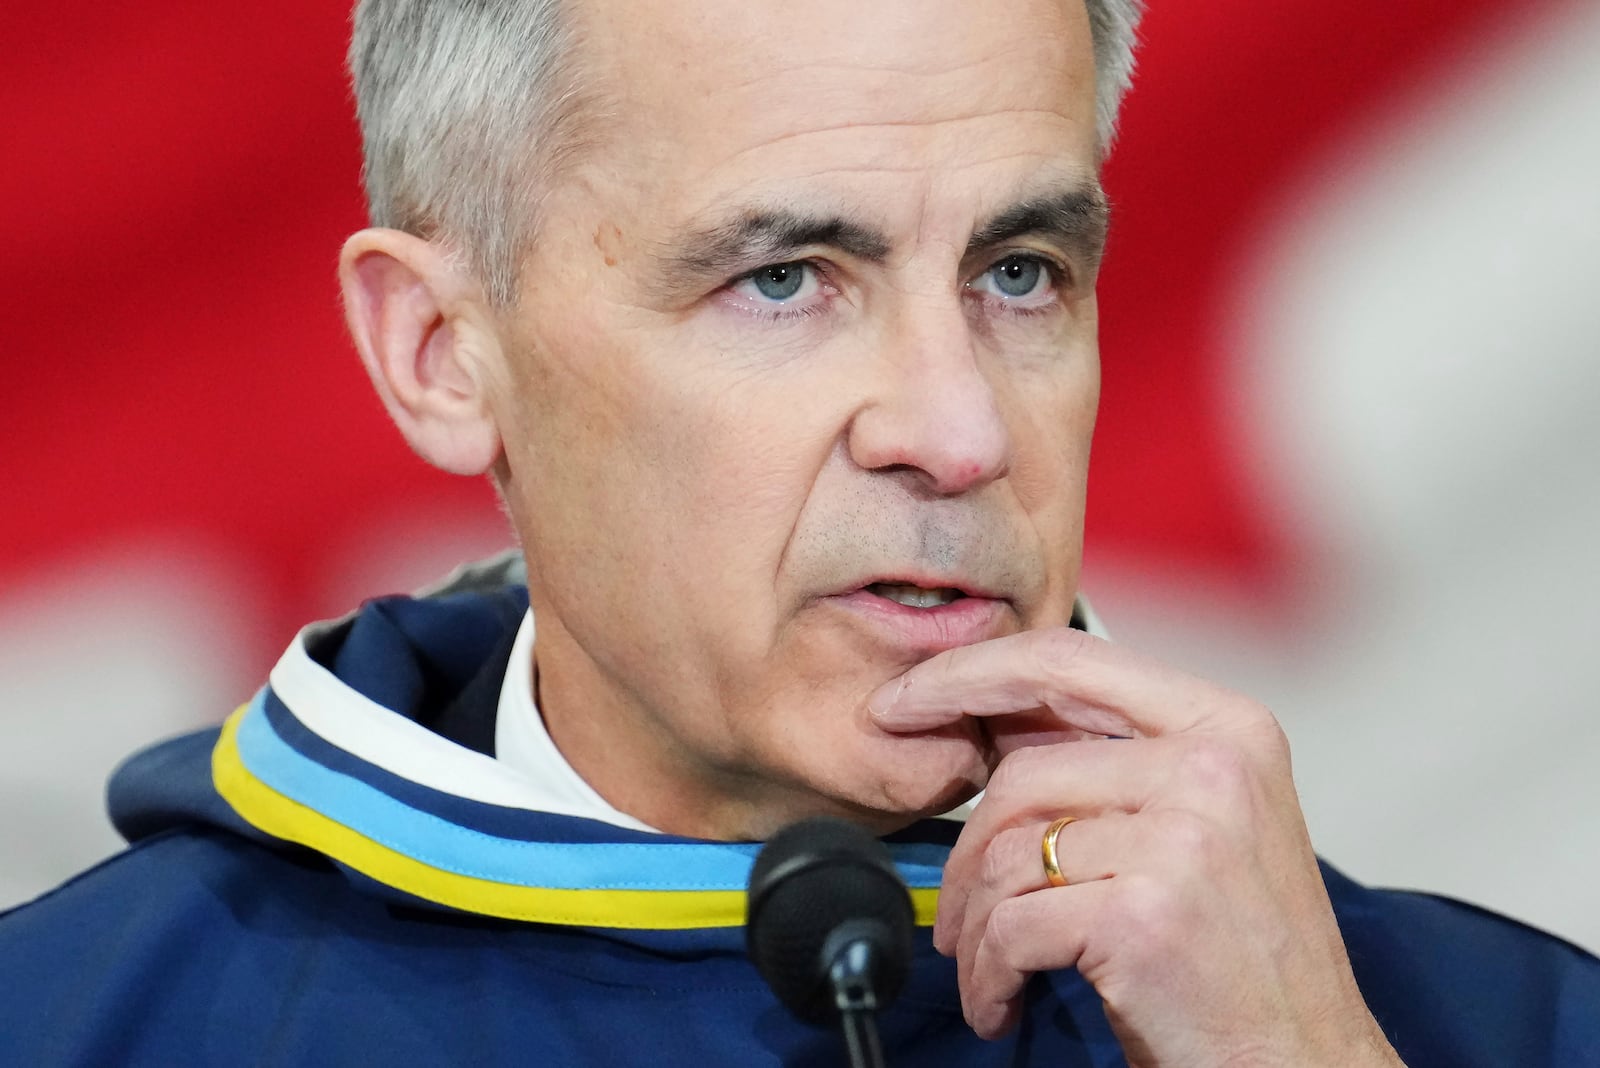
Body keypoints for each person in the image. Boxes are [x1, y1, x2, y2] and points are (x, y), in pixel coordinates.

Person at [3, 0, 1596, 1064]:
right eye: (784, 279)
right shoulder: (79, 1026)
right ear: (438, 352)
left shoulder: (1471, 1025)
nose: (961, 431)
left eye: (1022, 271)